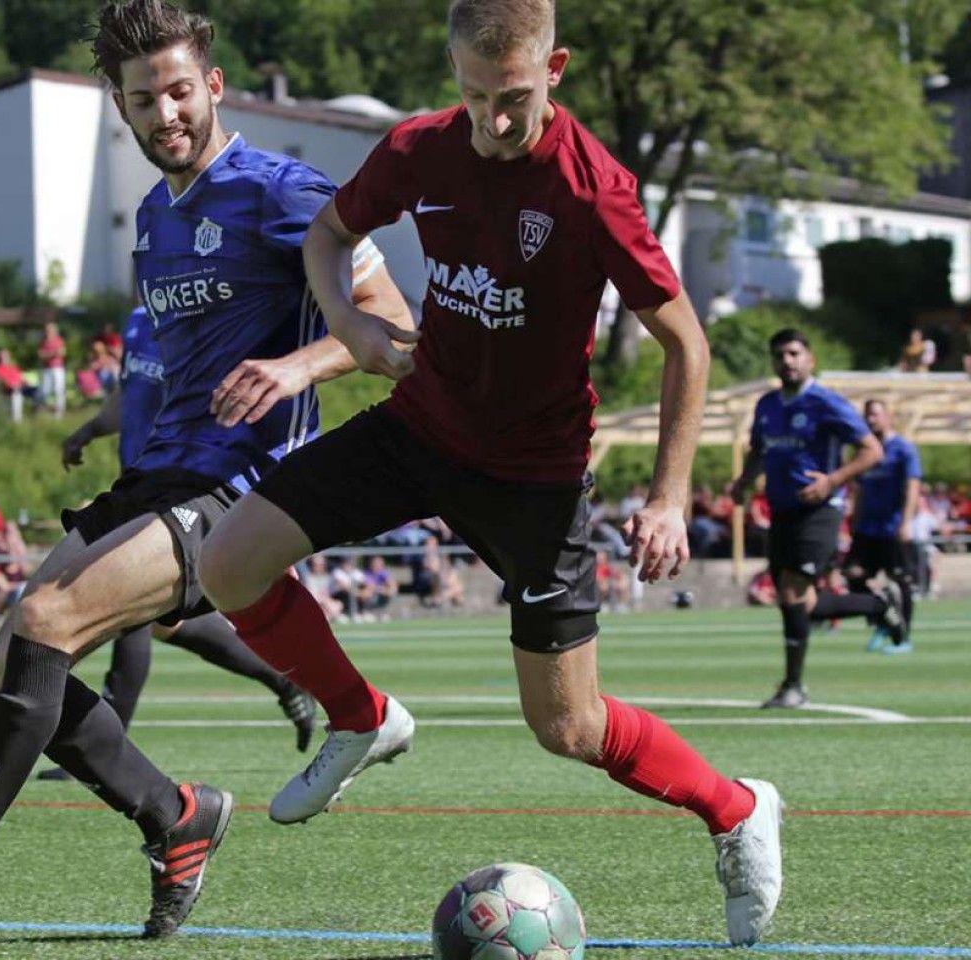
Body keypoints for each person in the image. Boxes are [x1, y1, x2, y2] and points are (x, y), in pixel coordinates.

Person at [198, 0, 784, 947]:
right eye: (474, 96)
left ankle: (737, 809)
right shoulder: (419, 149)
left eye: (512, 99)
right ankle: (362, 717)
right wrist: (348, 327)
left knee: (569, 728)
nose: (493, 122)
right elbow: (325, 238)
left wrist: (670, 496)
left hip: (534, 479)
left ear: (556, 70)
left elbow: (687, 345)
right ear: (453, 73)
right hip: (418, 430)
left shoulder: (596, 191)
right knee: (228, 565)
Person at [0, 0, 411, 940]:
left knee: (45, 622)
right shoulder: (152, 215)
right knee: (10, 664)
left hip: (237, 489)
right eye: (145, 100)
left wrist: (298, 365)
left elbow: (393, 326)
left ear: (213, 86)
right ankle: (176, 818)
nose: (166, 114)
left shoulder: (280, 190)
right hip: (156, 477)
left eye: (181, 91)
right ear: (122, 106)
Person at [38, 304, 319, 781]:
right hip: (137, 481)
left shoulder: (200, 312)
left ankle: (104, 746)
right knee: (156, 622)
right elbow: (133, 393)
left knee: (120, 606)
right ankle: (282, 679)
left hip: (182, 481)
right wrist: (90, 428)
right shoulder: (137, 319)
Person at [730, 330, 905, 708]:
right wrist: (743, 481)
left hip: (819, 511)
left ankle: (793, 686)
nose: (787, 361)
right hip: (782, 511)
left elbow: (871, 450)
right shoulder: (767, 405)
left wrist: (832, 481)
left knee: (792, 592)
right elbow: (758, 450)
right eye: (779, 355)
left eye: (794, 353)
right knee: (799, 602)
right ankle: (877, 605)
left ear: (810, 358)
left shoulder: (826, 402)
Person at [845, 399, 921, 654]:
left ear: (888, 416)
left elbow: (912, 486)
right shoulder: (862, 451)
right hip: (867, 528)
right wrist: (854, 521)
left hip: (892, 528)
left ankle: (904, 638)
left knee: (901, 580)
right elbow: (858, 490)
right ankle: (884, 619)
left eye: (876, 414)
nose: (871, 420)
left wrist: (907, 522)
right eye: (867, 415)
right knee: (854, 577)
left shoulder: (902, 449)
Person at [38, 321, 68, 417]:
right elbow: (40, 355)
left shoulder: (59, 340)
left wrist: (48, 354)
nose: (48, 331)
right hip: (46, 369)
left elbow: (62, 353)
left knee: (59, 390)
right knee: (45, 390)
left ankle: (59, 413)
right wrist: (53, 354)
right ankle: (48, 410)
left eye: (50, 330)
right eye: (47, 330)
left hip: (58, 369)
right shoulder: (43, 342)